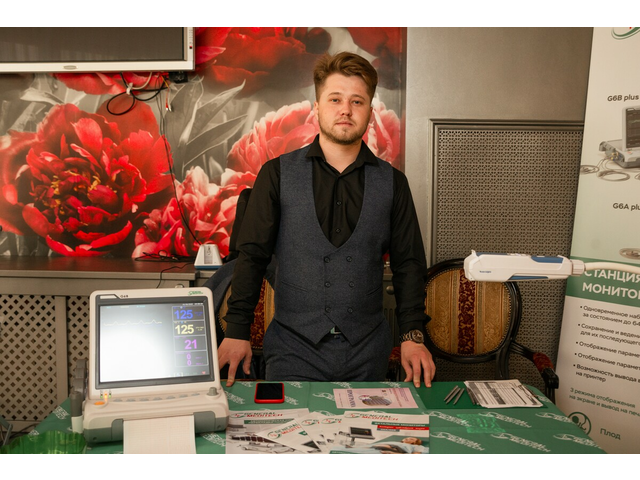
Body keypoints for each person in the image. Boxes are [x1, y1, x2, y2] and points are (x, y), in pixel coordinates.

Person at [218, 51, 435, 388]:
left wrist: (412, 336)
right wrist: (236, 331)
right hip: (292, 349)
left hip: (368, 352)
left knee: (366, 427)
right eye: (335, 99)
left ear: (370, 111)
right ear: (317, 107)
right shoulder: (276, 174)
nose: (345, 109)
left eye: (357, 101)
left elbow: (409, 265)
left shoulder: (393, 183)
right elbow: (251, 257)